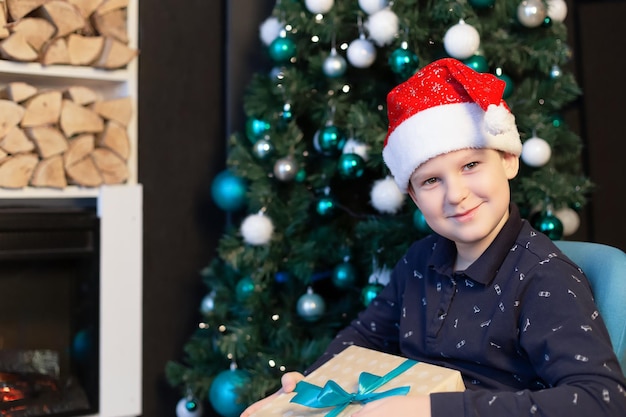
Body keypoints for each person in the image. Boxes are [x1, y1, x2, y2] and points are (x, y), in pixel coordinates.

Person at [241, 58, 626, 417]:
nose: (455, 194)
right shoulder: (419, 260)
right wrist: (312, 383)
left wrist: (430, 409)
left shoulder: (544, 277)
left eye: (471, 165)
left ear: (508, 158)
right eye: (431, 181)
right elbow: (365, 336)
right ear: (413, 195)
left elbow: (601, 399)